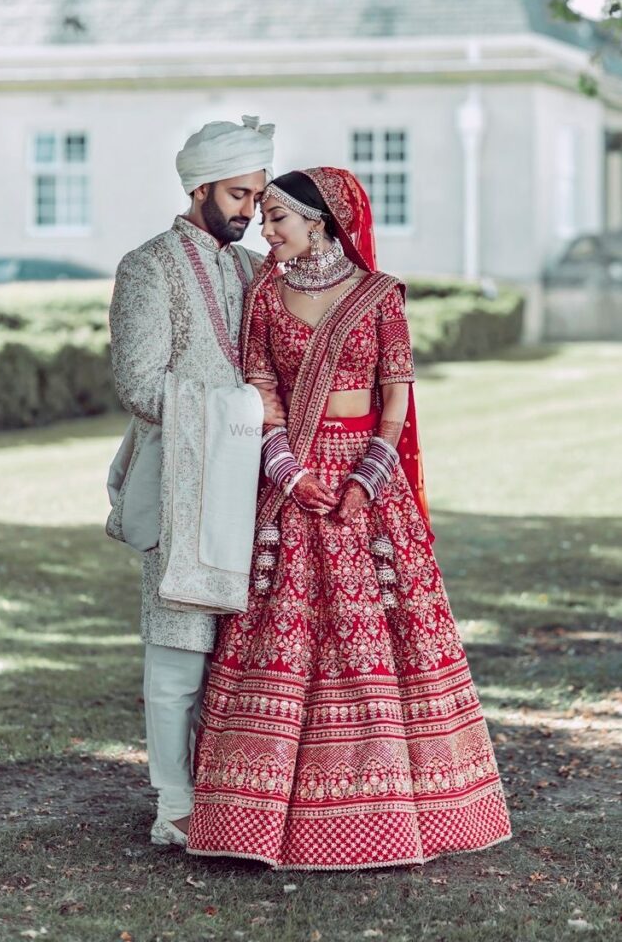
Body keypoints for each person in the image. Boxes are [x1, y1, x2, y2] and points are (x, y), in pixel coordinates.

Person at [186, 167, 512, 870]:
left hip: (367, 480)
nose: (266, 230)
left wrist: (366, 478)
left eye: (278, 217)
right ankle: (254, 817)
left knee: (382, 635)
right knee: (285, 632)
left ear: (321, 222)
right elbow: (261, 390)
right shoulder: (267, 296)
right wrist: (287, 472)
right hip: (293, 478)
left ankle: (407, 806)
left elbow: (395, 398)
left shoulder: (378, 297)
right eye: (264, 216)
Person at [107, 116, 285, 849]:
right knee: (179, 643)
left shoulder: (249, 270)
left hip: (253, 483)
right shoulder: (147, 266)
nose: (249, 211)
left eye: (257, 196)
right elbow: (138, 383)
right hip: (180, 481)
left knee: (241, 646)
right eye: (238, 195)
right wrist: (240, 409)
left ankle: (231, 789)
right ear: (199, 187)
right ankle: (173, 805)